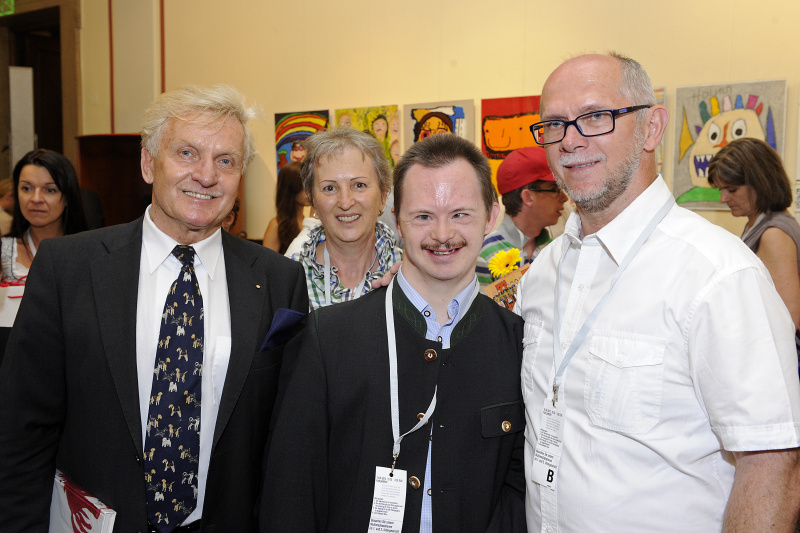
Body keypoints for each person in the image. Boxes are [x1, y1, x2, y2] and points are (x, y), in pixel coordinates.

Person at [0, 84, 308, 532]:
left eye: (226, 161)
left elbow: (288, 441)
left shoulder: (279, 280)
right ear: (149, 163)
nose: (206, 175)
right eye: (187, 153)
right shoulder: (69, 269)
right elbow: (21, 429)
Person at [517, 52, 800, 532]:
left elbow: (773, 465)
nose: (571, 140)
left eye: (594, 117)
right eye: (554, 124)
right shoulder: (543, 272)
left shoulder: (718, 276)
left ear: (652, 128)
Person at [262, 133, 526, 533]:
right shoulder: (327, 338)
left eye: (460, 214)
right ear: (397, 219)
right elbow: (292, 492)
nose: (441, 234)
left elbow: (519, 489)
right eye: (422, 216)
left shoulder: (516, 343)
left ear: (491, 217)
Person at [290, 127, 402, 310]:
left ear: (383, 196)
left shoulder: (408, 275)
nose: (345, 202)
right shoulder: (290, 278)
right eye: (330, 188)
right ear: (312, 199)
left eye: (359, 185)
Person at [708, 137, 800, 354]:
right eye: (721, 190)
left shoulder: (774, 234)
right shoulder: (759, 223)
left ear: (760, 183)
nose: (723, 198)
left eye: (731, 190)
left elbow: (789, 320)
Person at [476, 146, 568, 288]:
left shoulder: (556, 249)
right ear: (528, 197)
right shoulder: (485, 254)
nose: (564, 198)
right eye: (555, 190)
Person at [2, 149, 88, 282]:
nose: (36, 199)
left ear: (67, 197)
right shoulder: (4, 251)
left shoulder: (89, 252)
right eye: (26, 188)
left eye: (50, 190)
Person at [262, 161, 311, 254]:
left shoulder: (306, 222)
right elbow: (267, 265)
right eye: (304, 186)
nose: (310, 192)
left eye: (310, 185)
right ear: (291, 188)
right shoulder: (276, 226)